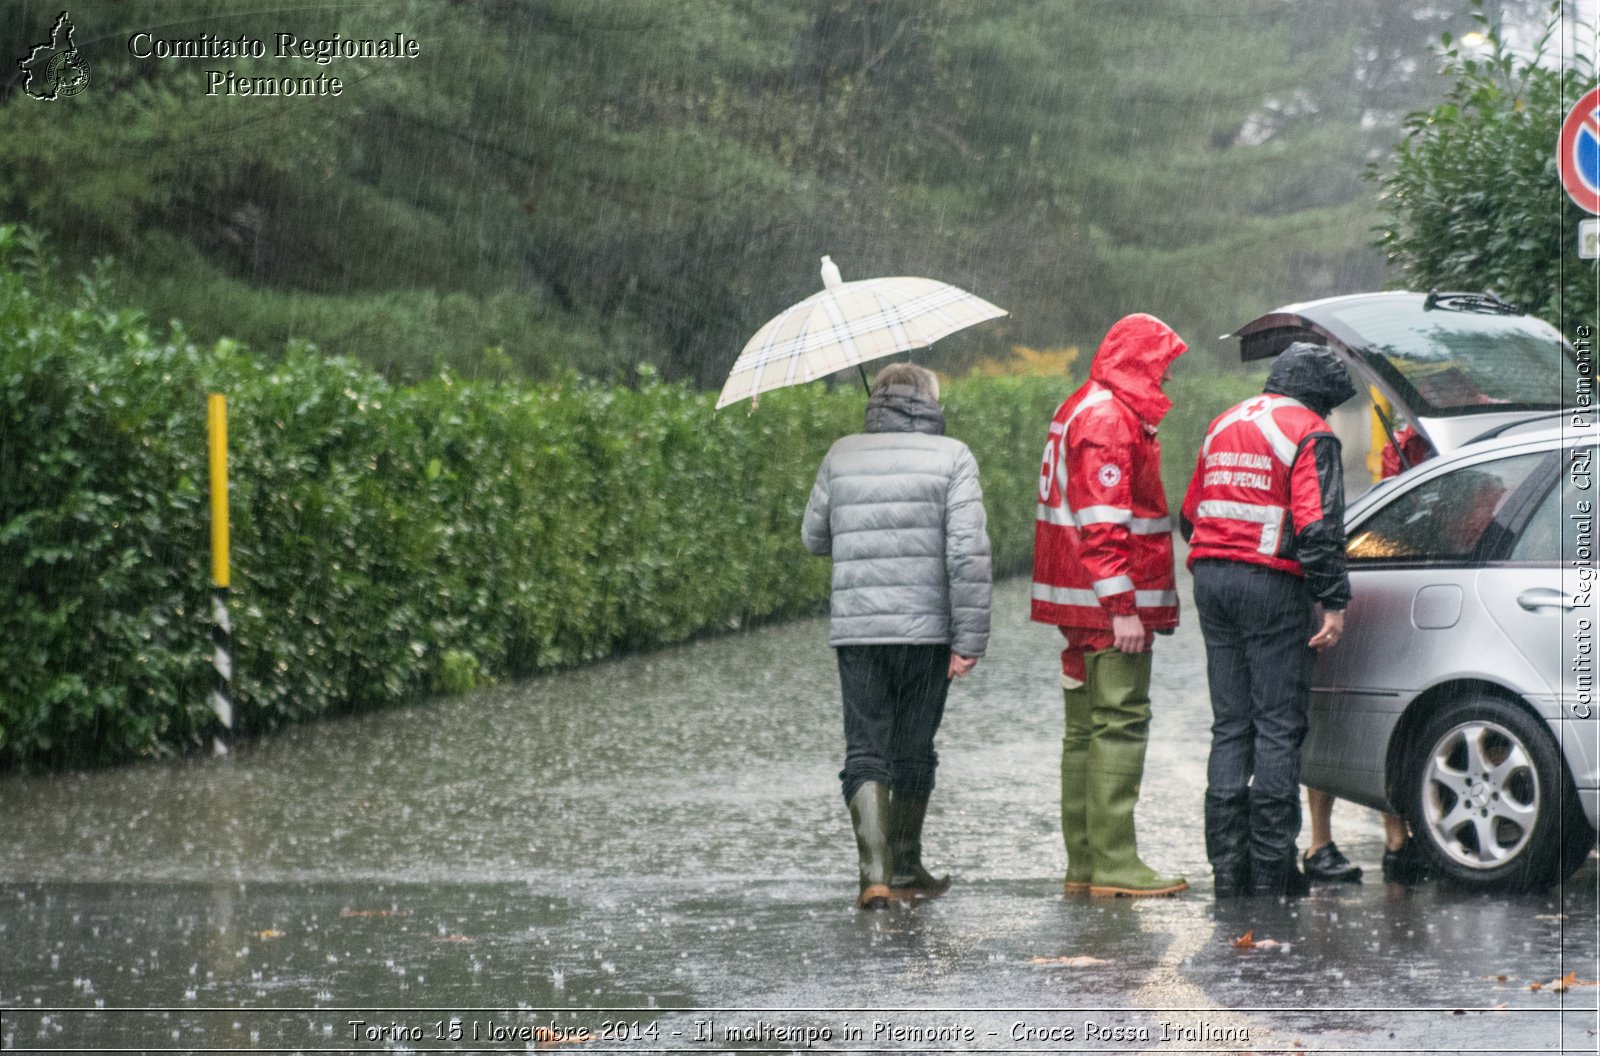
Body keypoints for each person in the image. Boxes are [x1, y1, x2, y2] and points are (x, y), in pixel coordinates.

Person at [802, 361, 992, 910]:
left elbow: (814, 537)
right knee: (913, 749)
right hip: (928, 632)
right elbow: (967, 555)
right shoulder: (953, 456)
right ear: (931, 403)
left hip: (859, 630)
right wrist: (969, 638)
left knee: (865, 748)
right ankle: (906, 866)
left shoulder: (841, 453)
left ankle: (875, 876)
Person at [1180, 341, 1356, 898]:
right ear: (1319, 395)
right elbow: (1318, 525)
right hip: (1273, 586)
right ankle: (1273, 870)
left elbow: (1189, 514)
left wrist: (1224, 553)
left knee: (1231, 726)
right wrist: (1333, 599)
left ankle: (1227, 869)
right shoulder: (1310, 432)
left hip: (1212, 580)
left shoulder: (1224, 422)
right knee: (1278, 728)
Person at [1032, 313, 1189, 898]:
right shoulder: (1108, 417)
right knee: (1120, 722)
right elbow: (1104, 524)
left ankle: (1085, 864)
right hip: (1105, 604)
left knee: (1082, 733)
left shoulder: (1079, 404)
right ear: (1139, 363)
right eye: (1162, 368)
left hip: (1073, 599)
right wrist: (1123, 605)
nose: (1166, 382)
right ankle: (1116, 863)